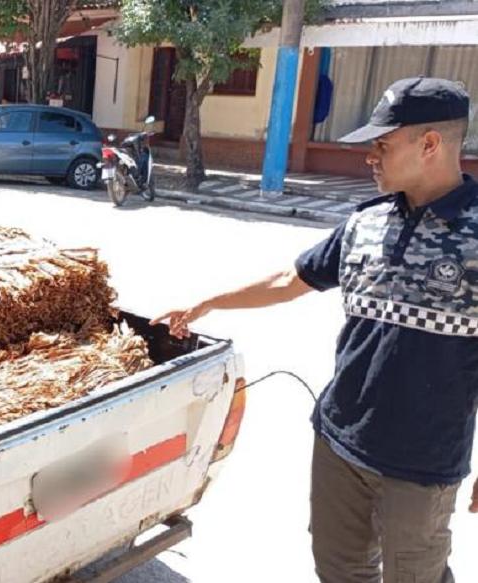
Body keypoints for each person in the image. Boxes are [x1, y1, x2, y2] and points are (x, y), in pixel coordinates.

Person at [154, 77, 478, 582]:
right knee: (340, 570)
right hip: (340, 443)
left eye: (383, 145)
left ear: (430, 144)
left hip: (422, 463)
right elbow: (290, 280)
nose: (370, 157)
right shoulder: (365, 223)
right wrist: (207, 303)